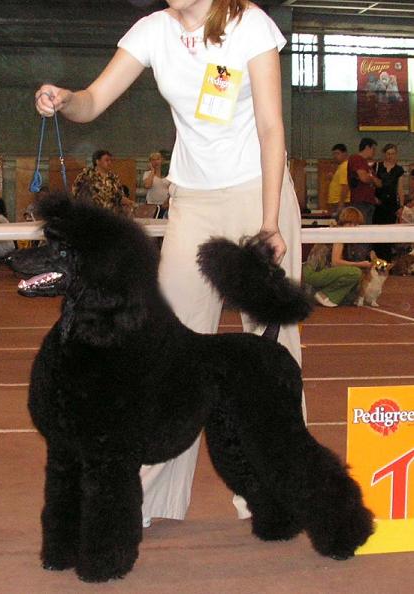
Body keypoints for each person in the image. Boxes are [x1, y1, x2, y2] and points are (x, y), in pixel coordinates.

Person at [35, 0, 302, 526]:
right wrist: (64, 99)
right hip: (193, 200)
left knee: (274, 343)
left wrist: (270, 220)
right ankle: (149, 497)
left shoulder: (249, 23)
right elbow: (92, 101)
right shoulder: (151, 31)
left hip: (259, 192)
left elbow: (272, 128)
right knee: (166, 349)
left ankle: (278, 487)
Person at [302, 207, 373, 307]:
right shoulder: (339, 234)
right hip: (314, 273)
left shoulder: (339, 233)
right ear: (343, 223)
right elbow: (336, 262)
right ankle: (324, 295)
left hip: (318, 273)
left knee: (353, 289)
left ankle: (324, 294)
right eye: (350, 224)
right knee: (355, 272)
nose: (353, 227)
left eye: (355, 224)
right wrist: (360, 264)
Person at [373, 143, 405, 261]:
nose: (390, 156)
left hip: (391, 205)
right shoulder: (377, 166)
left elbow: (400, 189)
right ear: (384, 154)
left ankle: (387, 260)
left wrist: (401, 206)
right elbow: (372, 183)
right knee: (377, 231)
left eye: (392, 154)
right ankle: (377, 259)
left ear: (396, 155)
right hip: (378, 204)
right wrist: (373, 197)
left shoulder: (399, 170)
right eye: (388, 153)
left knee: (389, 233)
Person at [347, 138, 382, 224]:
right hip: (360, 202)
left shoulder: (368, 166)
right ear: (367, 147)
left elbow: (379, 183)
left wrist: (370, 178)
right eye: (373, 149)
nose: (374, 152)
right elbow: (364, 178)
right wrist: (372, 178)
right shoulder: (356, 159)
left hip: (369, 202)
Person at [143, 151, 170, 217]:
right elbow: (147, 185)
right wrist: (152, 171)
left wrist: (167, 201)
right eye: (153, 160)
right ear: (150, 162)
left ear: (161, 160)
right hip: (152, 204)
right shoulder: (147, 174)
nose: (156, 162)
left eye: (158, 159)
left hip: (165, 204)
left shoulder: (168, 175)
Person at [327, 143, 350, 215]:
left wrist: (341, 203)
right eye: (333, 154)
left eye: (337, 153)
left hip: (340, 202)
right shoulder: (341, 167)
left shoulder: (344, 167)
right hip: (337, 202)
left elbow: (345, 186)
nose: (335, 156)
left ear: (345, 154)